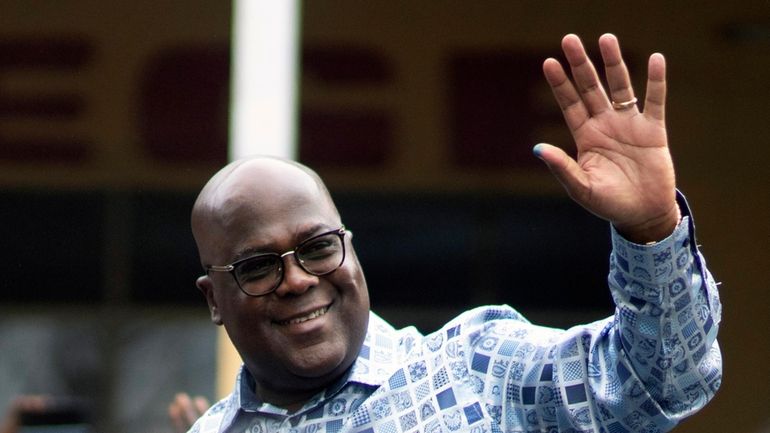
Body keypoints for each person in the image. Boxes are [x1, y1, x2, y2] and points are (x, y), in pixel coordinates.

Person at [186, 33, 722, 433]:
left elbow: (662, 382)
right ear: (214, 299)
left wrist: (651, 229)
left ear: (349, 248)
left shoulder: (477, 369)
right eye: (258, 266)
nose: (298, 280)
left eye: (318, 248)